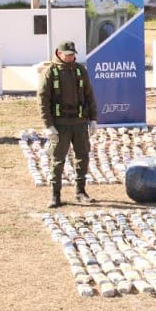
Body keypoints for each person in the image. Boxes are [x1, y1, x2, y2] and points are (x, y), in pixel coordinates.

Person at [38, 40, 98, 208]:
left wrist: (93, 119)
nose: (71, 57)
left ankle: (80, 192)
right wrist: (48, 125)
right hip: (60, 124)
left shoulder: (80, 70)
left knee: (83, 157)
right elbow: (43, 100)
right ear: (59, 53)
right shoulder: (50, 72)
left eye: (73, 55)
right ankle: (55, 195)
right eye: (68, 55)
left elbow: (89, 95)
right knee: (57, 160)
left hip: (79, 123)